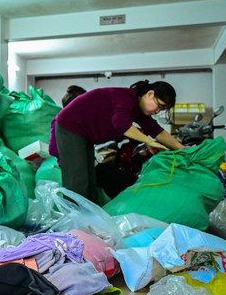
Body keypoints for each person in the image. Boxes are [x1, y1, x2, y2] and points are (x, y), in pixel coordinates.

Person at [50, 80, 185, 203]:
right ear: (150, 94)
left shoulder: (138, 110)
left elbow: (156, 130)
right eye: (159, 105)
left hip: (84, 134)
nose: (157, 111)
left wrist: (182, 148)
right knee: (76, 181)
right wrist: (148, 141)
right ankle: (72, 223)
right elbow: (120, 123)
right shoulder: (125, 97)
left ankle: (88, 221)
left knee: (89, 180)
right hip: (71, 126)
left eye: (161, 109)